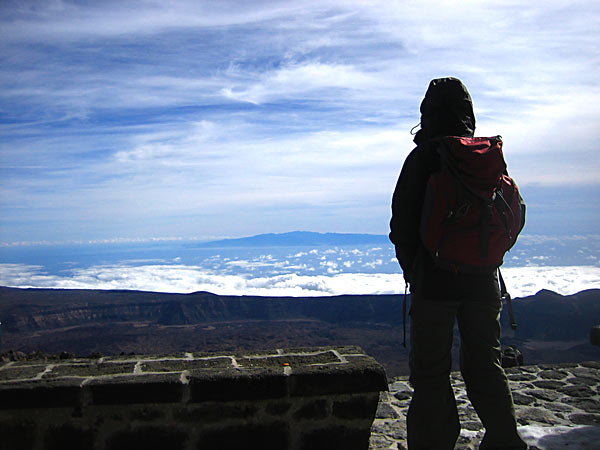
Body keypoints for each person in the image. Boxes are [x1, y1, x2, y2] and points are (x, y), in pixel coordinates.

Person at [389, 77, 528, 450]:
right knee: (486, 365)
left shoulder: (424, 157)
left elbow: (401, 223)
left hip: (434, 282)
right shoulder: (485, 157)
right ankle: (504, 441)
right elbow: (510, 214)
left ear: (426, 113)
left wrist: (414, 269)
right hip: (484, 280)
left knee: (432, 373)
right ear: (468, 113)